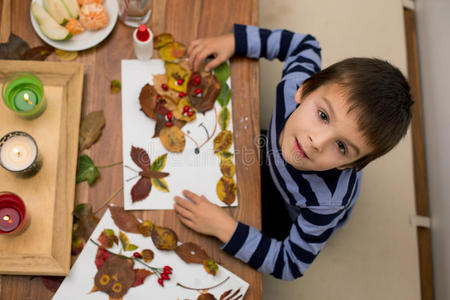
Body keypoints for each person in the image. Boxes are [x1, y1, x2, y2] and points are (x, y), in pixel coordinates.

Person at [173, 24, 413, 280]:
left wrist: (225, 228)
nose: (316, 142)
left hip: (293, 207)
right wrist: (235, 41)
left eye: (341, 146)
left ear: (350, 165)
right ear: (304, 89)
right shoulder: (293, 85)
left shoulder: (326, 203)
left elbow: (290, 264)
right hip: (271, 151)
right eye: (323, 116)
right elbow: (305, 44)